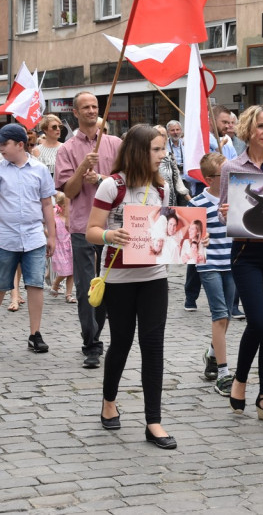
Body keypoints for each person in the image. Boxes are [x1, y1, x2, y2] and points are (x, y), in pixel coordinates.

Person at [87, 125, 176, 449]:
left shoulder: (162, 189)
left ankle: (154, 421)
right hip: (119, 280)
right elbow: (92, 230)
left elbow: (168, 231)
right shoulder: (113, 186)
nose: (163, 155)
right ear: (140, 151)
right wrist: (111, 235)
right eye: (156, 149)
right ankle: (109, 401)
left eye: (163, 149)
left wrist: (187, 239)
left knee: (153, 346)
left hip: (154, 277)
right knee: (121, 343)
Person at [221, 105, 263, 424]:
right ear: (248, 129)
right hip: (245, 252)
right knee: (258, 322)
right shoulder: (231, 166)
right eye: (260, 126)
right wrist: (226, 213)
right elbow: (227, 213)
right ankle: (239, 379)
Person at [54, 91, 122, 369]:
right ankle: (91, 343)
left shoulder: (115, 143)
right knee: (85, 289)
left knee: (109, 287)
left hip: (113, 226)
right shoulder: (66, 149)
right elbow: (68, 191)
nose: (92, 111)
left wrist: (103, 177)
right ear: (76, 112)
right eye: (86, 107)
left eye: (95, 106)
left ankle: (97, 332)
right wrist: (84, 168)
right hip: (82, 226)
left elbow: (127, 178)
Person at [0, 124, 56, 353]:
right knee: (0, 283)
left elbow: (47, 204)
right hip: (5, 236)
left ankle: (35, 333)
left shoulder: (40, 169)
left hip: (34, 236)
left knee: (35, 284)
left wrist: (52, 235)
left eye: (5, 144)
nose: (0, 148)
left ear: (20, 145)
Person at [188, 153, 238, 396]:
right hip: (209, 265)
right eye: (224, 174)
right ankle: (223, 373)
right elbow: (186, 240)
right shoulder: (196, 204)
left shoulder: (235, 200)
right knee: (219, 315)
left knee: (227, 315)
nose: (230, 177)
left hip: (233, 262)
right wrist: (198, 239)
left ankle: (211, 354)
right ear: (210, 179)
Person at [155, 125, 189, 206]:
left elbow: (177, 180)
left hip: (169, 202)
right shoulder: (145, 156)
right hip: (153, 201)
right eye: (157, 134)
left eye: (163, 135)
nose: (160, 138)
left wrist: (190, 200)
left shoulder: (169, 156)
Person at [50, 191, 75, 301]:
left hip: (71, 246)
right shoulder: (56, 218)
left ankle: (68, 295)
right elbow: (48, 231)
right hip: (60, 247)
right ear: (62, 206)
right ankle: (56, 283)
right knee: (66, 270)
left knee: (72, 271)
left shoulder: (72, 217)